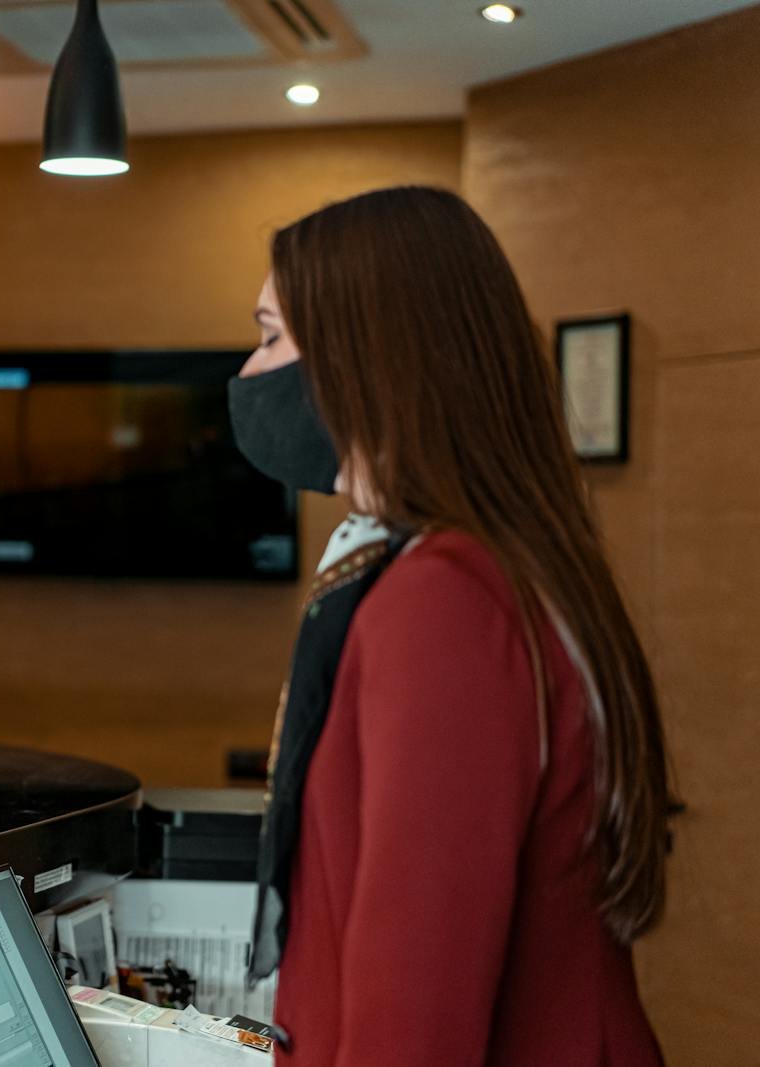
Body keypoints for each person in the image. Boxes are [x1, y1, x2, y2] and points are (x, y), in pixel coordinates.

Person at [229, 186, 670, 1064]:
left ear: (365, 361)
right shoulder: (493, 560)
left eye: (273, 336)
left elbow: (414, 1012)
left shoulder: (443, 601)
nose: (249, 373)